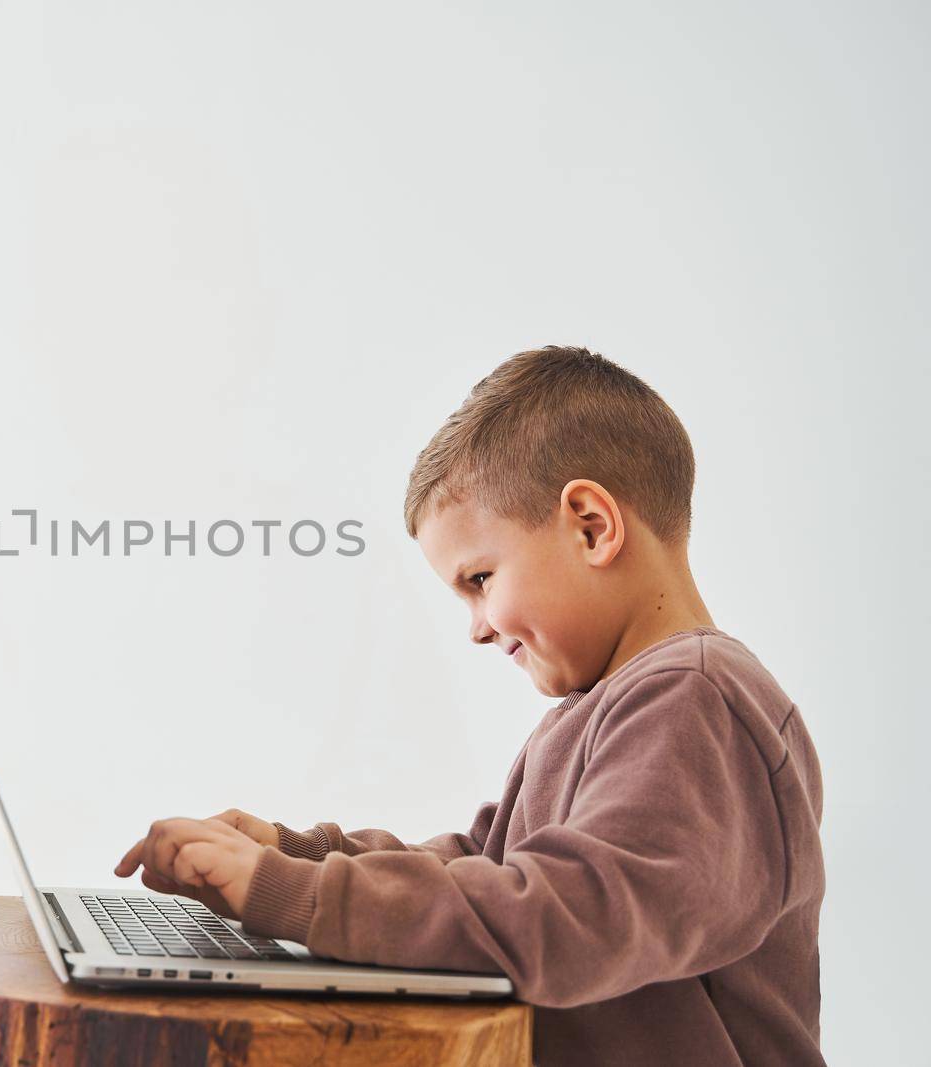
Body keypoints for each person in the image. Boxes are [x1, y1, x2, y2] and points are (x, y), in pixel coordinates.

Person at [113, 346, 825, 1067]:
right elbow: (485, 865)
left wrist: (292, 892)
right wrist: (295, 851)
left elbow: (561, 916)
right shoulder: (616, 704)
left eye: (481, 578)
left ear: (591, 526)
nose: (477, 626)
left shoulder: (694, 700)